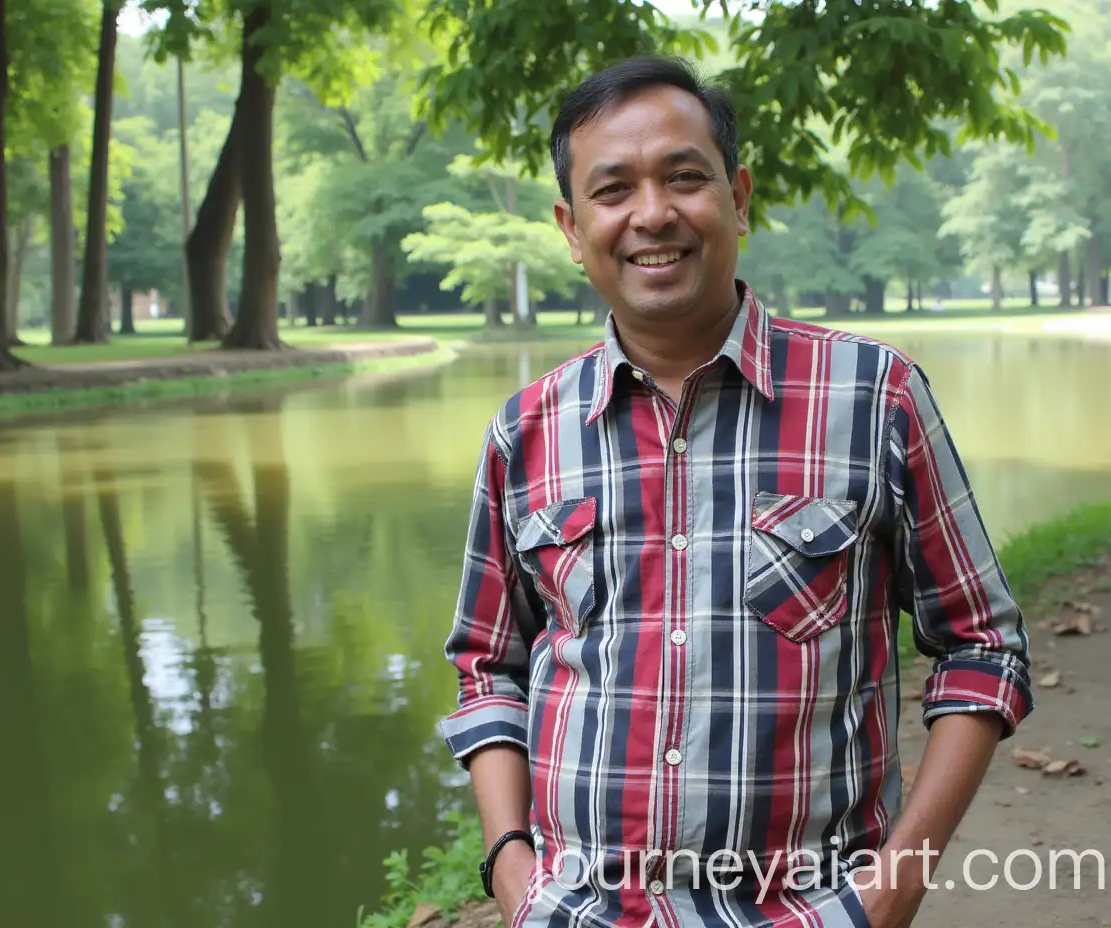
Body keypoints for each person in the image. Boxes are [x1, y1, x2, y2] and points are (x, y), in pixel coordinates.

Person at [439, 54, 1032, 928]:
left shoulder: (873, 399)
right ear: (572, 227)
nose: (652, 214)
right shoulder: (526, 430)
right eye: (614, 190)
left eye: (685, 177)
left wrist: (893, 886)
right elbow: (489, 665)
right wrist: (511, 869)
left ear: (739, 195)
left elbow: (983, 647)